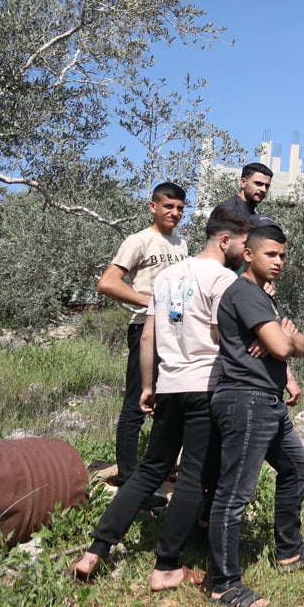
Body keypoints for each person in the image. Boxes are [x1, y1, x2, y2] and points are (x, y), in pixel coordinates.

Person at [67, 208, 252, 589]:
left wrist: (149, 385)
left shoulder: (167, 275)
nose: (245, 253)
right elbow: (223, 337)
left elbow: (148, 336)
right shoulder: (221, 279)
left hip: (168, 385)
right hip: (205, 385)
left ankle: (95, 550)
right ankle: (167, 565)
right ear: (224, 240)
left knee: (151, 469)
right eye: (243, 245)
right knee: (193, 474)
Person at [208, 225, 304, 607]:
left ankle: (290, 550)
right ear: (248, 255)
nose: (278, 262)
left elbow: (300, 345)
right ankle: (224, 585)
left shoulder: (263, 298)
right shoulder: (245, 293)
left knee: (295, 464)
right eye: (270, 255)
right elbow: (284, 343)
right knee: (235, 494)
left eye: (282, 256)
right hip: (246, 400)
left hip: (268, 400)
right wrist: (283, 339)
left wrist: (285, 340)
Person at [96, 182, 190, 505]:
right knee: (136, 404)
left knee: (169, 404)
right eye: (168, 207)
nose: (174, 213)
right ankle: (130, 478)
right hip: (144, 330)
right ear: (153, 207)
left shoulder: (182, 244)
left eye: (179, 208)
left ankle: (156, 471)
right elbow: (107, 283)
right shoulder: (139, 240)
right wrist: (149, 302)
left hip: (175, 333)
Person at [209, 161, 275, 225]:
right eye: (258, 184)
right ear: (243, 182)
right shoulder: (228, 211)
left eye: (267, 186)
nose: (263, 189)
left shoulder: (251, 211)